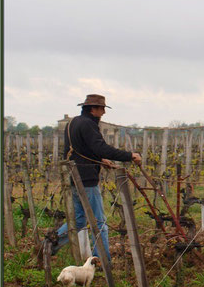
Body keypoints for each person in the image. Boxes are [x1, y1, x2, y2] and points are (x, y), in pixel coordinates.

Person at [53, 94, 142, 263]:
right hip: (86, 178)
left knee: (78, 219)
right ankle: (102, 262)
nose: (103, 113)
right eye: (102, 109)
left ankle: (49, 245)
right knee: (99, 223)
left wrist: (100, 160)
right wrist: (130, 155)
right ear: (93, 109)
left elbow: (81, 148)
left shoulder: (73, 123)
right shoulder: (88, 125)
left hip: (73, 176)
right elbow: (101, 148)